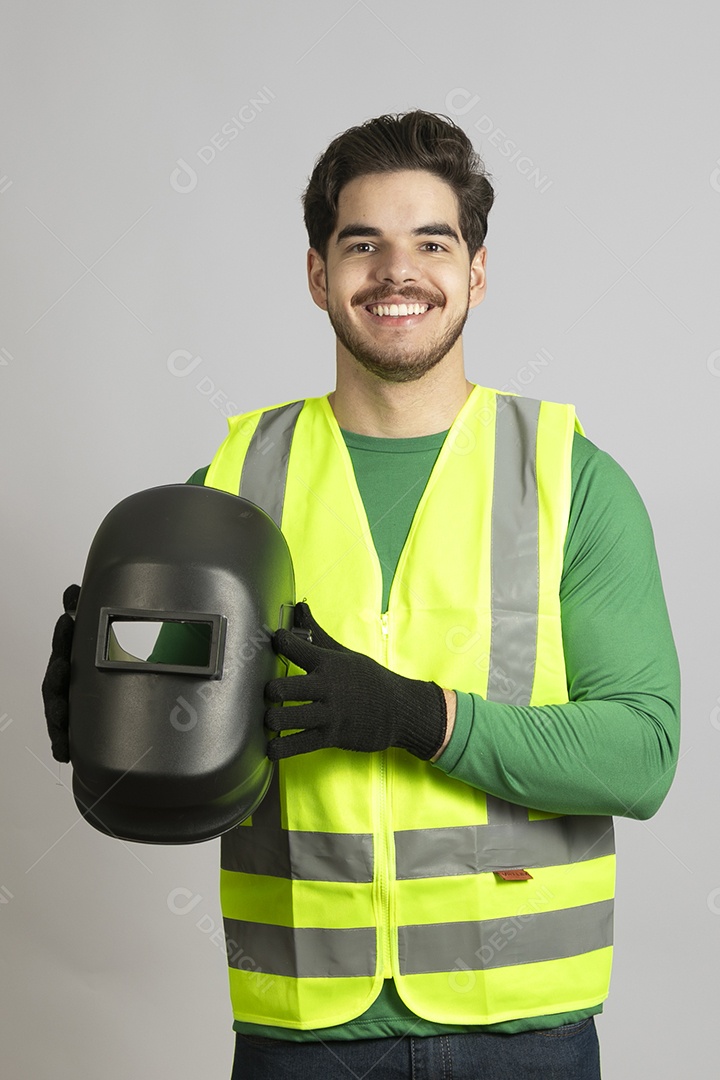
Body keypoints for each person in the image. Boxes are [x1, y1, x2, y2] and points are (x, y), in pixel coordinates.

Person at [44, 111, 680, 1079]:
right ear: (317, 275)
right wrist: (106, 720)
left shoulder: (570, 479)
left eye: (432, 242)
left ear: (476, 272)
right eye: (362, 244)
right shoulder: (231, 488)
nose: (397, 272)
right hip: (303, 1031)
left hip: (525, 1031)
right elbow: (177, 747)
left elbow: (642, 756)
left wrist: (417, 716)